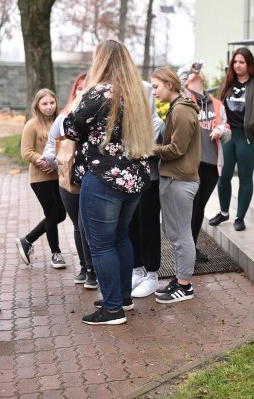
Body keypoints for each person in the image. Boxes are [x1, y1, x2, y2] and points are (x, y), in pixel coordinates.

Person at [64, 39, 155, 326]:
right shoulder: (136, 93)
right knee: (120, 238)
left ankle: (112, 308)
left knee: (101, 244)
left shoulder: (99, 93)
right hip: (134, 177)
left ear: (100, 61)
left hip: (103, 177)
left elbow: (70, 128)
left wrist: (79, 99)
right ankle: (123, 298)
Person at [208, 47, 254, 232]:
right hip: (228, 135)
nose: (237, 65)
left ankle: (240, 217)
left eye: (241, 62)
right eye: (235, 62)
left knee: (245, 178)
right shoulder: (228, 82)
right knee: (224, 175)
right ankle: (223, 212)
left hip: (248, 137)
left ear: (249, 64)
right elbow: (219, 104)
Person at [150, 67, 202, 304]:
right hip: (177, 178)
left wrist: (150, 150)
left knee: (181, 235)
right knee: (176, 233)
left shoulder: (181, 110)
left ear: (169, 85)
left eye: (156, 86)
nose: (153, 92)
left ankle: (185, 285)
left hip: (179, 180)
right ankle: (181, 279)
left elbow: (176, 149)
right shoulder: (179, 107)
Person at [43, 73, 99, 288]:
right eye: (78, 88)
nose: (81, 92)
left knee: (88, 224)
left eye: (87, 88)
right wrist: (48, 158)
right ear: (74, 91)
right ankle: (85, 267)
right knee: (78, 224)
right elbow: (51, 144)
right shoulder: (63, 117)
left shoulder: (98, 116)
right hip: (68, 177)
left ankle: (94, 269)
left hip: (91, 176)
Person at [178, 61, 231, 263]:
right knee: (190, 206)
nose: (195, 74)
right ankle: (186, 249)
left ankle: (192, 245)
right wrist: (188, 70)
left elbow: (228, 131)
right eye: (191, 75)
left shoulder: (217, 104)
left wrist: (221, 130)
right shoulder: (185, 98)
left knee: (199, 207)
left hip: (210, 164)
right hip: (191, 163)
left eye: (199, 73)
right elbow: (176, 82)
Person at [16, 89, 68, 269]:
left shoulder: (59, 122)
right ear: (37, 105)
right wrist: (42, 160)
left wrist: (56, 163)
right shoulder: (32, 125)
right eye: (44, 103)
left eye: (51, 103)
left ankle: (28, 240)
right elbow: (26, 151)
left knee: (61, 214)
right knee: (52, 213)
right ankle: (56, 253)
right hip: (40, 177)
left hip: (58, 175)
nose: (48, 107)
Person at [128, 80, 166, 299]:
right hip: (130, 182)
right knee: (132, 226)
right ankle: (136, 269)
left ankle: (152, 275)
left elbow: (140, 149)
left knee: (148, 227)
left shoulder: (156, 122)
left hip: (149, 182)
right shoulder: (129, 122)